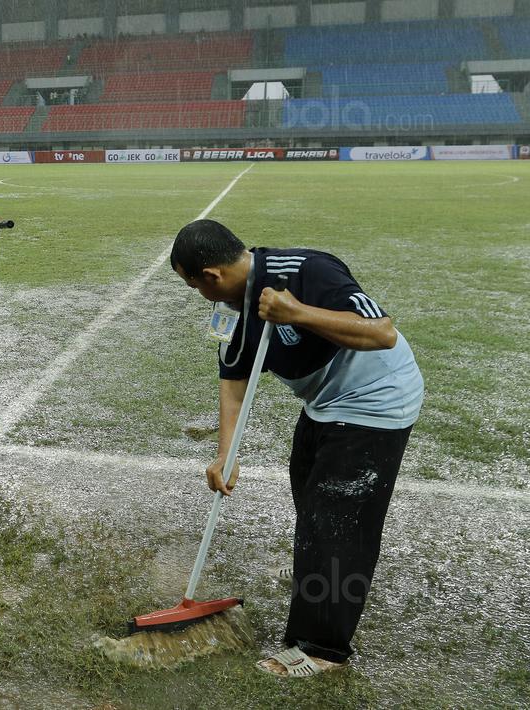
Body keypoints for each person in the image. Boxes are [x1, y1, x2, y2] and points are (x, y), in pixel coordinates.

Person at [169, 219, 423, 677]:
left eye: (192, 285)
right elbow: (233, 381)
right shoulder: (232, 308)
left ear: (210, 275)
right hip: (326, 402)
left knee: (337, 522)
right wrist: (226, 452)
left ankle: (323, 649)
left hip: (377, 398)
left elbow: (381, 332)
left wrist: (297, 313)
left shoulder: (306, 270)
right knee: (308, 496)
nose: (197, 294)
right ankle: (318, 579)